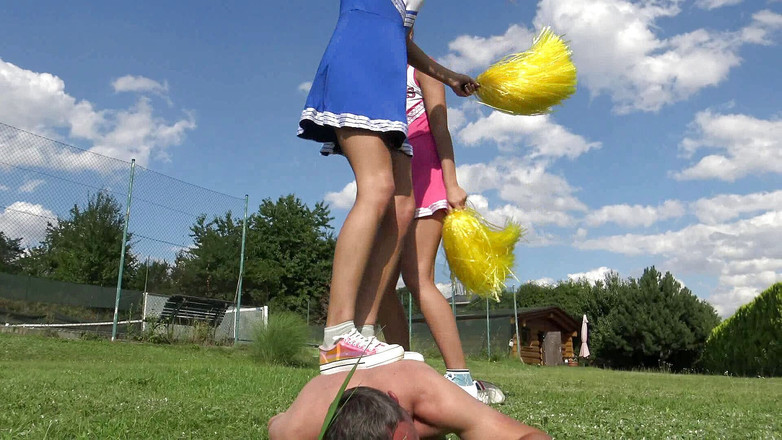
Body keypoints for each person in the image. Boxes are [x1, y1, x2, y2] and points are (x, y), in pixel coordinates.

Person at [298, 0, 479, 375]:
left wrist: (447, 76)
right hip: (361, 62)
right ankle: (338, 335)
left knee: (402, 204)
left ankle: (363, 330)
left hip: (387, 78)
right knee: (378, 187)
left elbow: (401, 37)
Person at [376, 63, 496, 401]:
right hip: (392, 182)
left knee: (418, 278)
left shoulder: (423, 70)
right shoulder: (380, 71)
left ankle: (461, 378)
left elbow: (440, 128)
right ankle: (402, 370)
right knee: (380, 285)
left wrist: (451, 182)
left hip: (427, 179)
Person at [267, 360, 550, 440]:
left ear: (396, 401)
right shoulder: (298, 429)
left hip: (399, 368)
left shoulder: (426, 393)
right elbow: (274, 424)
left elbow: (528, 435)